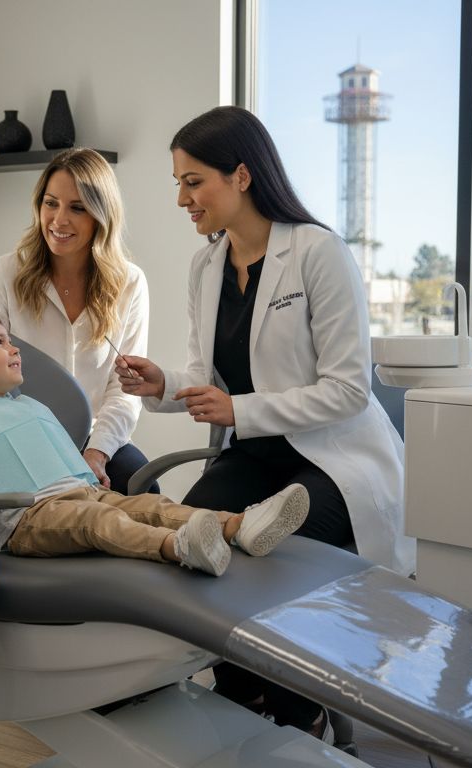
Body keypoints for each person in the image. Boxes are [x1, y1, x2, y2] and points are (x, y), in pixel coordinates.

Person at [116, 106, 412, 738]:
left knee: (265, 556)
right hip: (255, 453)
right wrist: (165, 385)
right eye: (178, 183)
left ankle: (300, 708)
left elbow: (349, 391)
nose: (181, 199)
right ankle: (246, 702)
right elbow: (212, 379)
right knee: (193, 546)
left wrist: (239, 410)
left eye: (193, 182)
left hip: (332, 458)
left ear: (242, 176)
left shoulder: (316, 252)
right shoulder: (207, 267)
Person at [0, 309, 310, 577]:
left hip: (84, 492)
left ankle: (240, 526)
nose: (14, 347)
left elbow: (57, 454)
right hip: (31, 520)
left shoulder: (28, 406)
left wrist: (88, 472)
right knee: (99, 522)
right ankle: (179, 547)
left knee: (150, 505)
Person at [0, 148, 155, 493]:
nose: (58, 220)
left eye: (77, 208)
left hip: (94, 438)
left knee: (142, 486)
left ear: (101, 216)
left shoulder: (129, 283)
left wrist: (97, 453)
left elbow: (125, 391)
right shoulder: (3, 274)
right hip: (21, 436)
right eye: (51, 203)